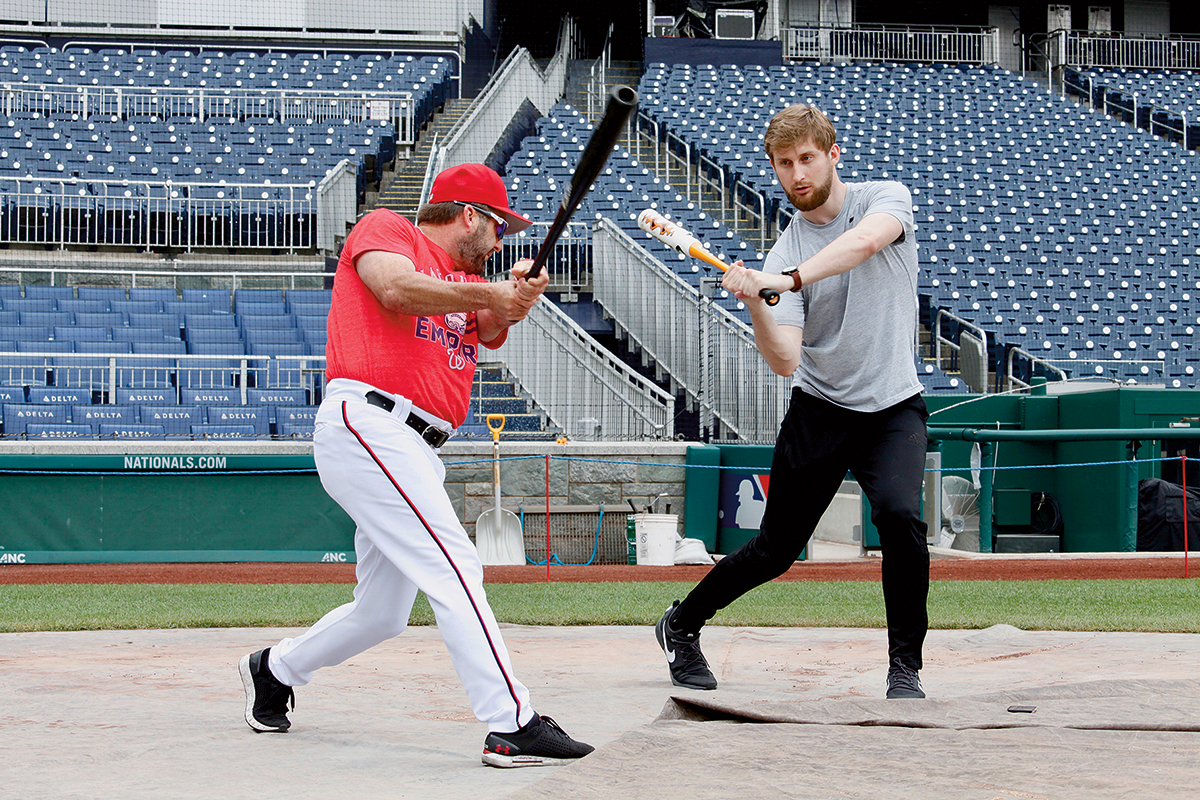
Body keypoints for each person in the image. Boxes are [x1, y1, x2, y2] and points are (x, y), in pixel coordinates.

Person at [239, 162, 595, 767]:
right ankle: (511, 723)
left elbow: (490, 322)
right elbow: (395, 291)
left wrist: (516, 296)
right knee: (457, 565)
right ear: (471, 216)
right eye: (500, 228)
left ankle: (275, 670)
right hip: (369, 420)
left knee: (382, 614)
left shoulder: (462, 279)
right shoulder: (388, 229)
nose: (502, 240)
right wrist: (492, 292)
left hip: (416, 446)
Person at [654, 104, 931, 699]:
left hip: (892, 406)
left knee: (902, 519)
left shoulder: (886, 198)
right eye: (784, 163)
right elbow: (784, 360)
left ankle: (905, 668)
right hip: (822, 410)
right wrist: (757, 298)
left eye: (807, 158)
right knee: (775, 550)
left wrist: (787, 282)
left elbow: (862, 245)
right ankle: (681, 625)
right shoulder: (783, 253)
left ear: (833, 156)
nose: (796, 173)